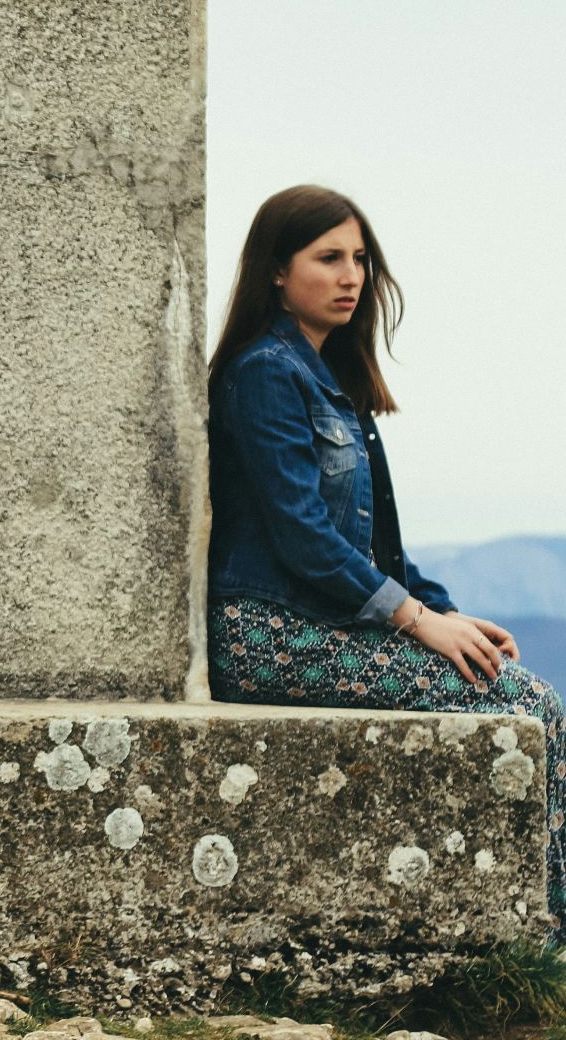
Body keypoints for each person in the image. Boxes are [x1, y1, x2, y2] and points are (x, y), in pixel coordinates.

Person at [206, 183, 563, 928]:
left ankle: (551, 929)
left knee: (531, 695)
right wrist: (416, 623)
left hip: (323, 620)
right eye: (328, 257)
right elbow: (304, 535)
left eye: (360, 259)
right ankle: (550, 935)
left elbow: (380, 544)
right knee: (530, 705)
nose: (351, 277)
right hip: (267, 632)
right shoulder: (266, 371)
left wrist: (448, 615)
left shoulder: (330, 378)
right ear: (277, 270)